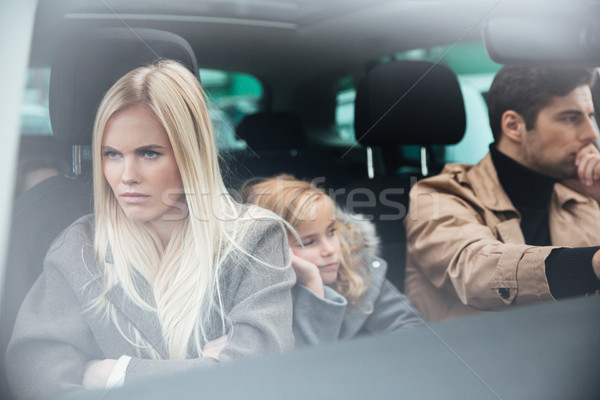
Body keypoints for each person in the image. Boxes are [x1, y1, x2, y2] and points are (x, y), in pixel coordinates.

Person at [6, 60, 295, 399]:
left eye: (148, 153)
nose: (126, 175)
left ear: (193, 154)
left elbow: (256, 378)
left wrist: (115, 375)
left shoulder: (255, 240)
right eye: (112, 154)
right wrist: (207, 368)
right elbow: (39, 382)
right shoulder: (81, 248)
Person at [404, 66, 600, 322]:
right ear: (513, 125)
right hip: (478, 358)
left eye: (590, 116)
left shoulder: (583, 193)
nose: (591, 133)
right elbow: (474, 271)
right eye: (570, 118)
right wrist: (590, 264)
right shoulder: (437, 196)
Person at [242, 175, 423, 347]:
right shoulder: (259, 304)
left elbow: (413, 330)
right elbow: (306, 364)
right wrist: (312, 283)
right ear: (271, 252)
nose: (329, 250)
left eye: (331, 231)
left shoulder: (356, 268)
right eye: (308, 242)